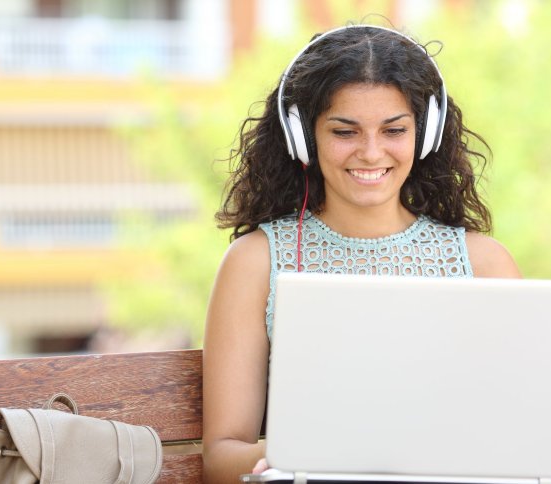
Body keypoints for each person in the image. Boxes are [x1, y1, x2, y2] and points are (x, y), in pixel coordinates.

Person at [202, 23, 521, 483]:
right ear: (303, 137)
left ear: (425, 134)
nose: (371, 153)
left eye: (393, 130)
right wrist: (305, 456)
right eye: (344, 131)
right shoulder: (256, 262)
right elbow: (221, 456)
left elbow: (517, 432)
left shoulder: (486, 264)